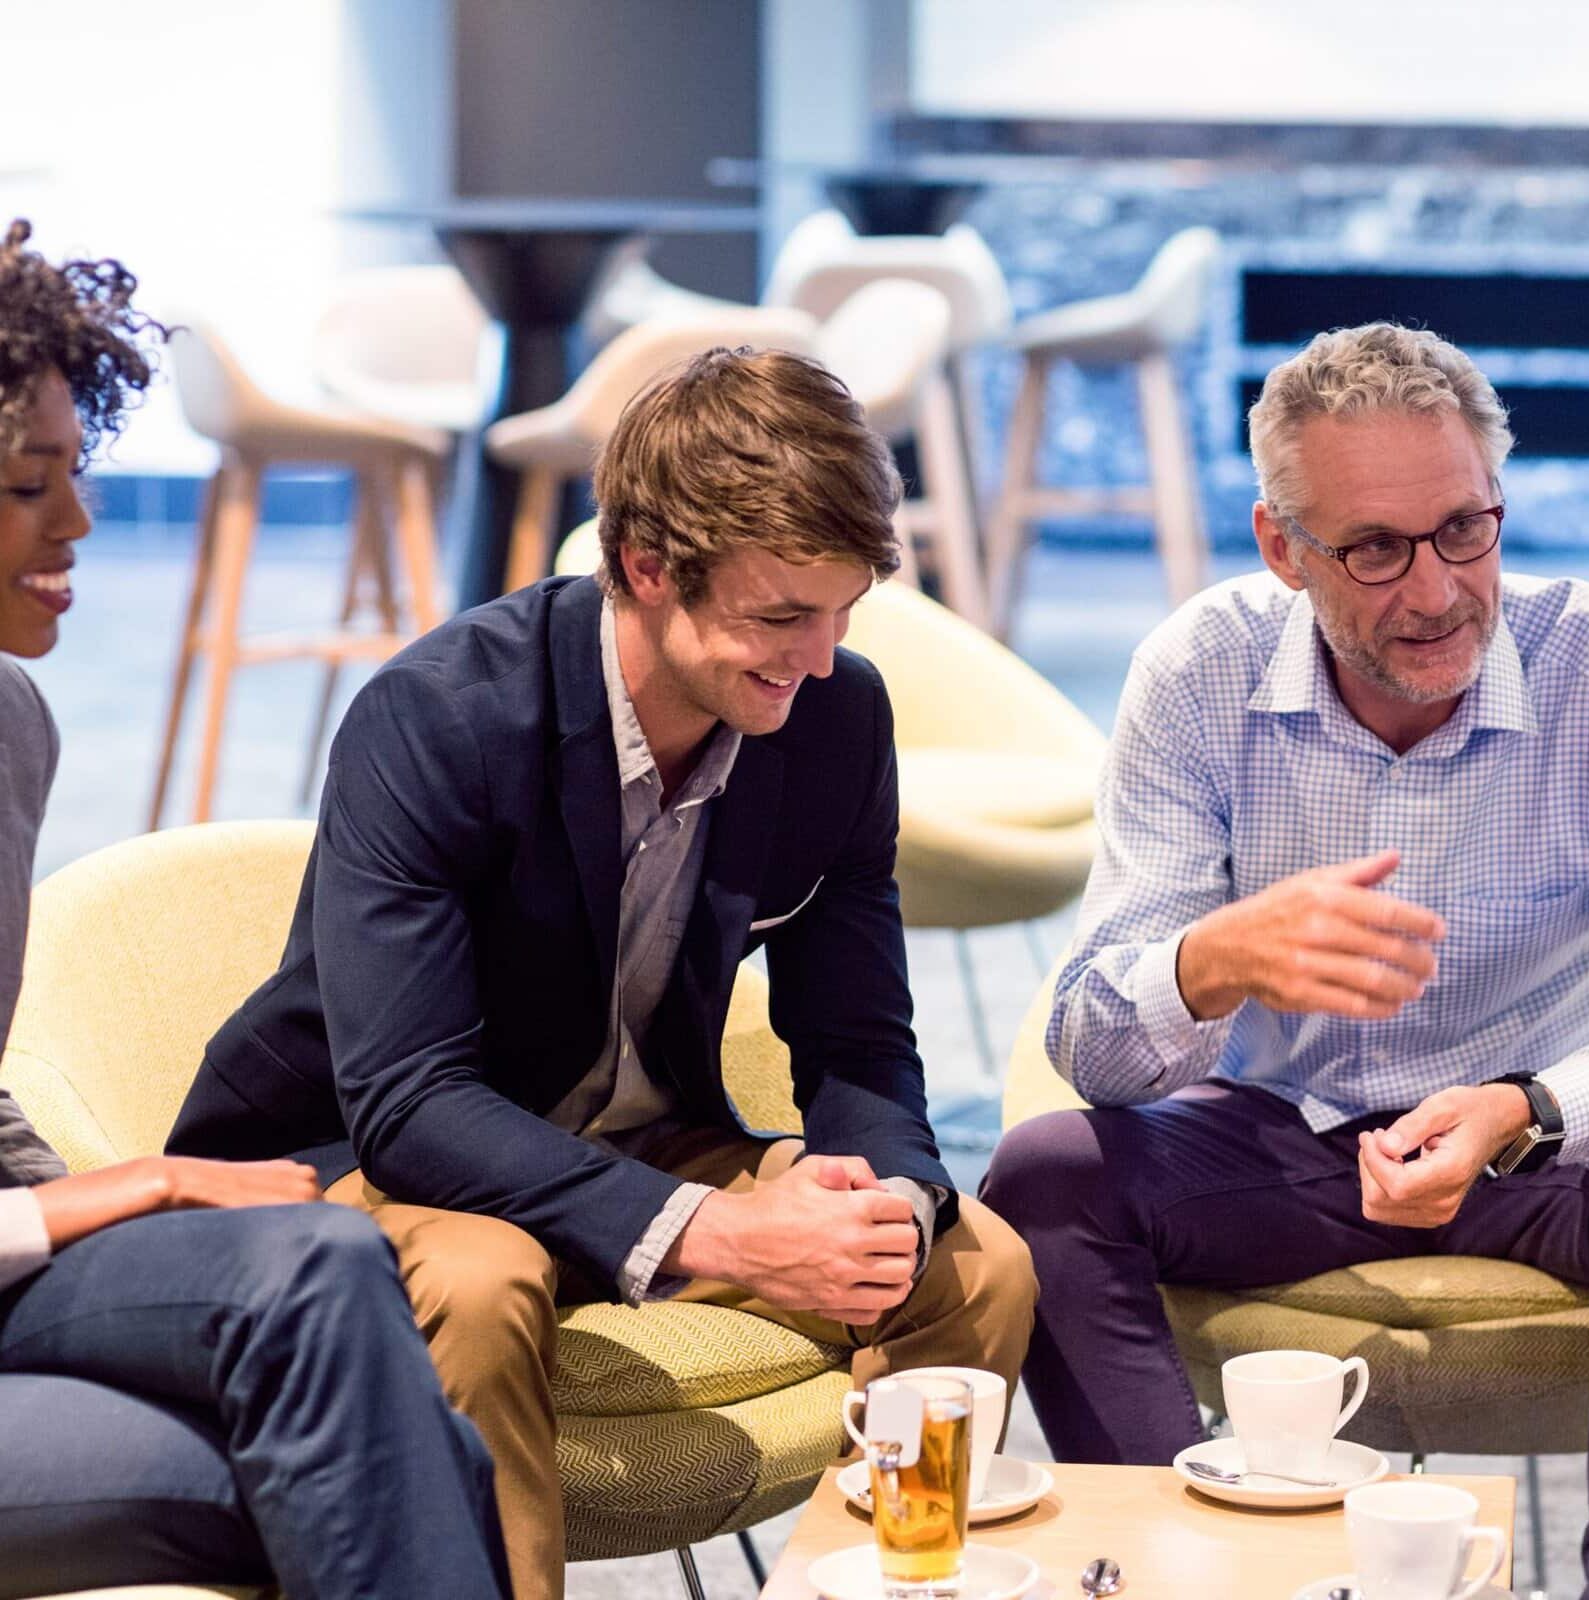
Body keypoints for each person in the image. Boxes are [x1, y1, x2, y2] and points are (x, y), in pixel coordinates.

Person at [166, 343, 1037, 1600]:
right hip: (367, 1159)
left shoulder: (835, 716)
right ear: (643, 567)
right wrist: (723, 1228)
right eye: (781, 616)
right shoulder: (441, 717)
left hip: (640, 1143)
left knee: (974, 1265)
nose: (818, 657)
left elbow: (856, 1035)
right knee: (480, 1278)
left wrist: (889, 1198)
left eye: (843, 613)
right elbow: (410, 1104)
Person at [981, 321, 1589, 1597]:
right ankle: (1199, 1581)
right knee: (1043, 1176)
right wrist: (1211, 960)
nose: (1435, 589)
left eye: (1466, 529)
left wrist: (1526, 1110)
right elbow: (1089, 1048)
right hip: (1271, 1134)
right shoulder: (1199, 671)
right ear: (1280, 549)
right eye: (1373, 550)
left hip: (1529, 1147)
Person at [0, 219, 509, 1598]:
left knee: (326, 1268)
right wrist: (135, 1188)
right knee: (385, 1443)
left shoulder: (7, 724)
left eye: (76, 472)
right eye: (27, 484)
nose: (80, 523)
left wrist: (103, 1216)